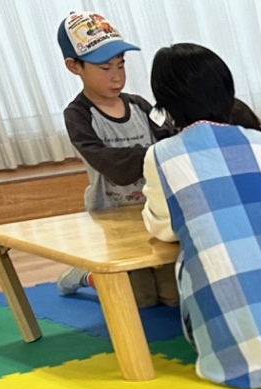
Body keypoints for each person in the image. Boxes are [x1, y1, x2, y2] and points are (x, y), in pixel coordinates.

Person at [139, 44, 261, 389]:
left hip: (233, 345)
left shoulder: (161, 155)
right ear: (227, 92)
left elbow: (164, 228)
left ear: (165, 104)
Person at [55, 12, 176, 306]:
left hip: (153, 212)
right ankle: (87, 275)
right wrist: (153, 153)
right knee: (141, 299)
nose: (116, 76)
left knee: (172, 297)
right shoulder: (78, 115)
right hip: (112, 216)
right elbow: (109, 163)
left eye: (121, 65)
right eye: (105, 68)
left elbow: (169, 138)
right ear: (74, 66)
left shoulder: (140, 105)